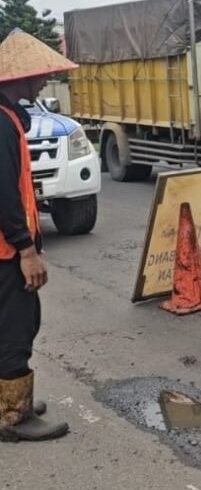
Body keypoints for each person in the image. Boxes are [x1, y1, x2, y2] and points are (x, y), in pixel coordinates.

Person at [0, 29, 76, 442]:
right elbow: (4, 194)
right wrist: (26, 248)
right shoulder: (1, 122)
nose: (46, 81)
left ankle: (10, 400)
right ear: (20, 78)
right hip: (5, 248)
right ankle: (14, 417)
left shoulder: (9, 115)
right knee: (16, 327)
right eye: (42, 75)